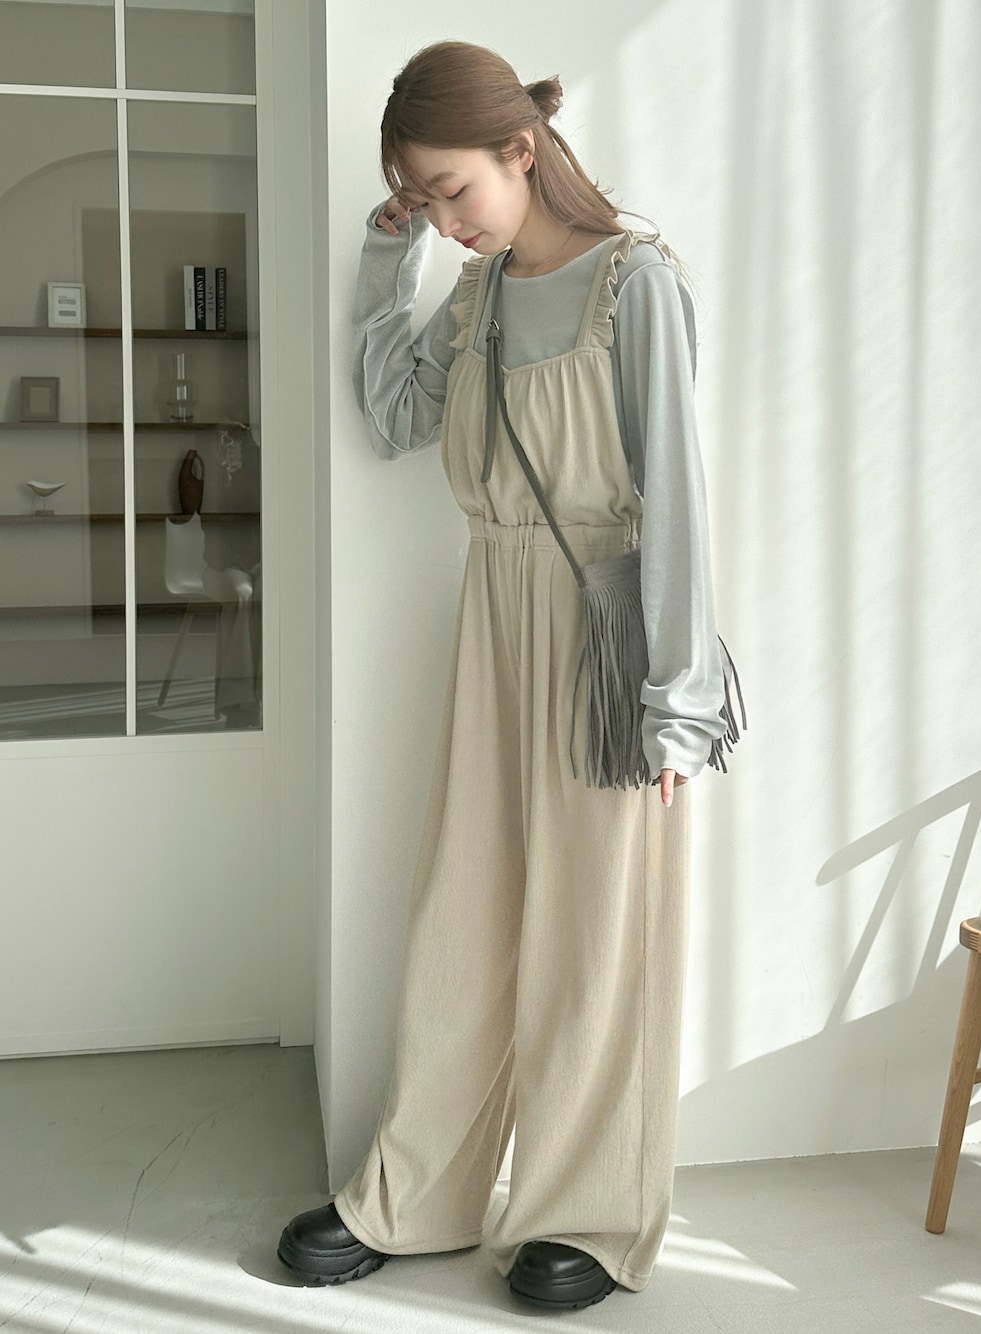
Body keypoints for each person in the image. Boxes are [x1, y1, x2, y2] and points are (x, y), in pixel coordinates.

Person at [278, 39, 736, 1311]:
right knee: (463, 911)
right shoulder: (475, 294)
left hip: (606, 637)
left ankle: (585, 1210)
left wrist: (677, 705)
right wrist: (389, 261)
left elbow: (678, 500)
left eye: (450, 190)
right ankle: (418, 1188)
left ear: (519, 151)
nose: (444, 218)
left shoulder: (636, 285)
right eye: (420, 199)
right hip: (491, 613)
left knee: (597, 930)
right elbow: (393, 414)